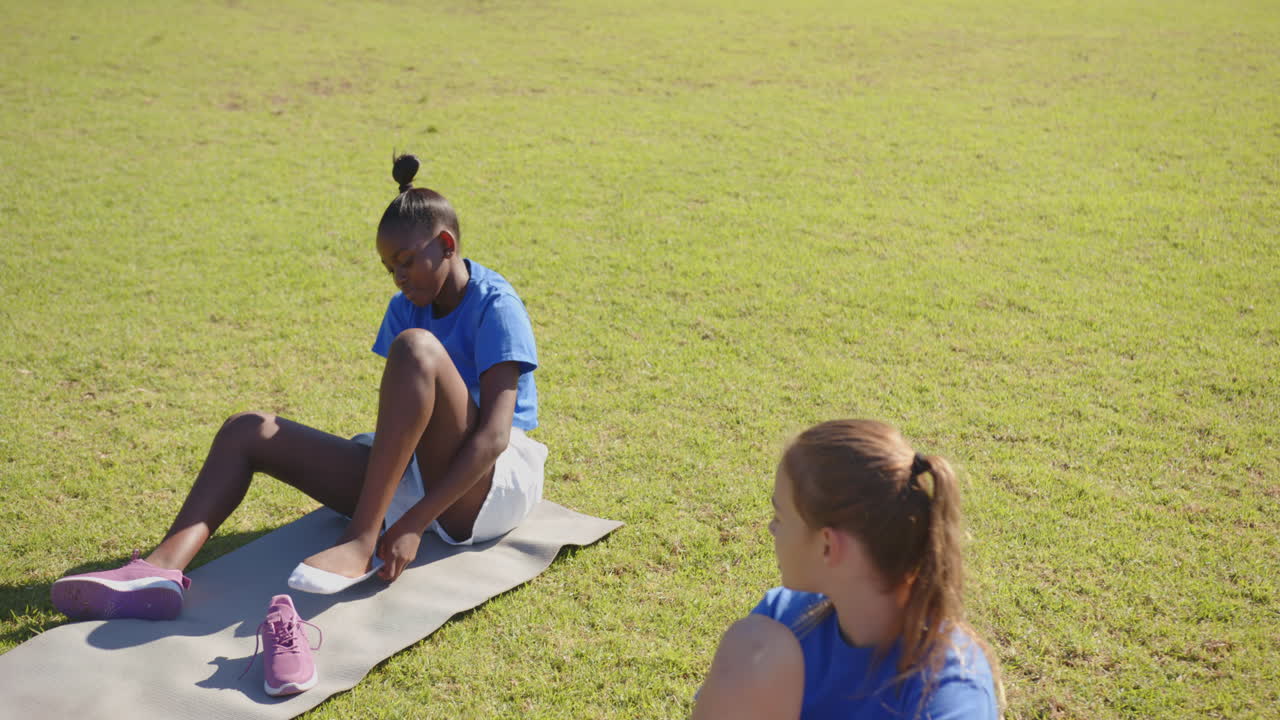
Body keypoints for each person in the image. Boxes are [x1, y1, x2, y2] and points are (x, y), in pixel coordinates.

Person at [52, 153, 546, 618]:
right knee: (247, 430)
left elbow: (493, 437)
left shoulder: (494, 304)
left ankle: (361, 540)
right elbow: (407, 419)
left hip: (486, 488)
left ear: (445, 245)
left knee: (417, 348)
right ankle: (158, 572)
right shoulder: (407, 305)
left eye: (405, 261)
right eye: (388, 268)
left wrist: (413, 523)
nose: (397, 277)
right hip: (423, 472)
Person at [692, 420, 1002, 719]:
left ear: (827, 545)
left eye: (780, 516)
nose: (772, 529)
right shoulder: (778, 622)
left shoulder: (949, 685)